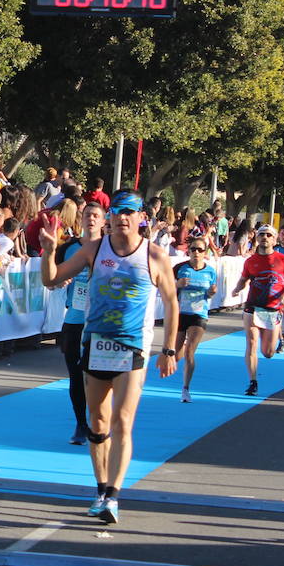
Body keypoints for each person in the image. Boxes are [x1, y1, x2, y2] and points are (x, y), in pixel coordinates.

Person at [40, 189, 179, 526]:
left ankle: (114, 495)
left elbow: (172, 302)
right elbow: (52, 279)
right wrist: (48, 253)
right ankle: (101, 488)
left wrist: (169, 349)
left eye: (129, 212)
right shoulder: (93, 249)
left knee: (123, 421)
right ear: (110, 216)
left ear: (141, 217)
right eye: (117, 211)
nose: (122, 218)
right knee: (97, 424)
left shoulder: (155, 256)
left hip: (132, 346)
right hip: (96, 344)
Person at [53, 200, 105, 445]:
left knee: (97, 376)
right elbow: (52, 279)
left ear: (104, 221)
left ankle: (99, 421)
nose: (91, 219)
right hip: (74, 318)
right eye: (87, 215)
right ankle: (81, 424)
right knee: (75, 374)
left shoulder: (110, 248)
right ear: (81, 219)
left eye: (96, 215)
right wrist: (59, 281)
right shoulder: (69, 247)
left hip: (101, 323)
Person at [232, 225, 284, 396]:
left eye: (269, 235)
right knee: (251, 343)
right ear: (257, 238)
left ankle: (280, 335)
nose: (265, 237)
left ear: (274, 239)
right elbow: (244, 279)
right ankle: (252, 381)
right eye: (262, 234)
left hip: (273, 309)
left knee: (268, 353)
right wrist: (237, 289)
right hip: (252, 307)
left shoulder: (283, 260)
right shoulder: (250, 261)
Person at [174, 238, 218, 402]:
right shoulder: (180, 268)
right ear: (188, 251)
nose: (196, 253)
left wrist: (211, 294)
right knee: (176, 355)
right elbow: (164, 288)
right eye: (193, 249)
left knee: (189, 351)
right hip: (180, 314)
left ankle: (185, 389)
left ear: (205, 252)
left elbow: (210, 293)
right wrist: (177, 284)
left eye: (200, 250)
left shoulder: (211, 271)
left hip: (199, 314)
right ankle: (179, 349)